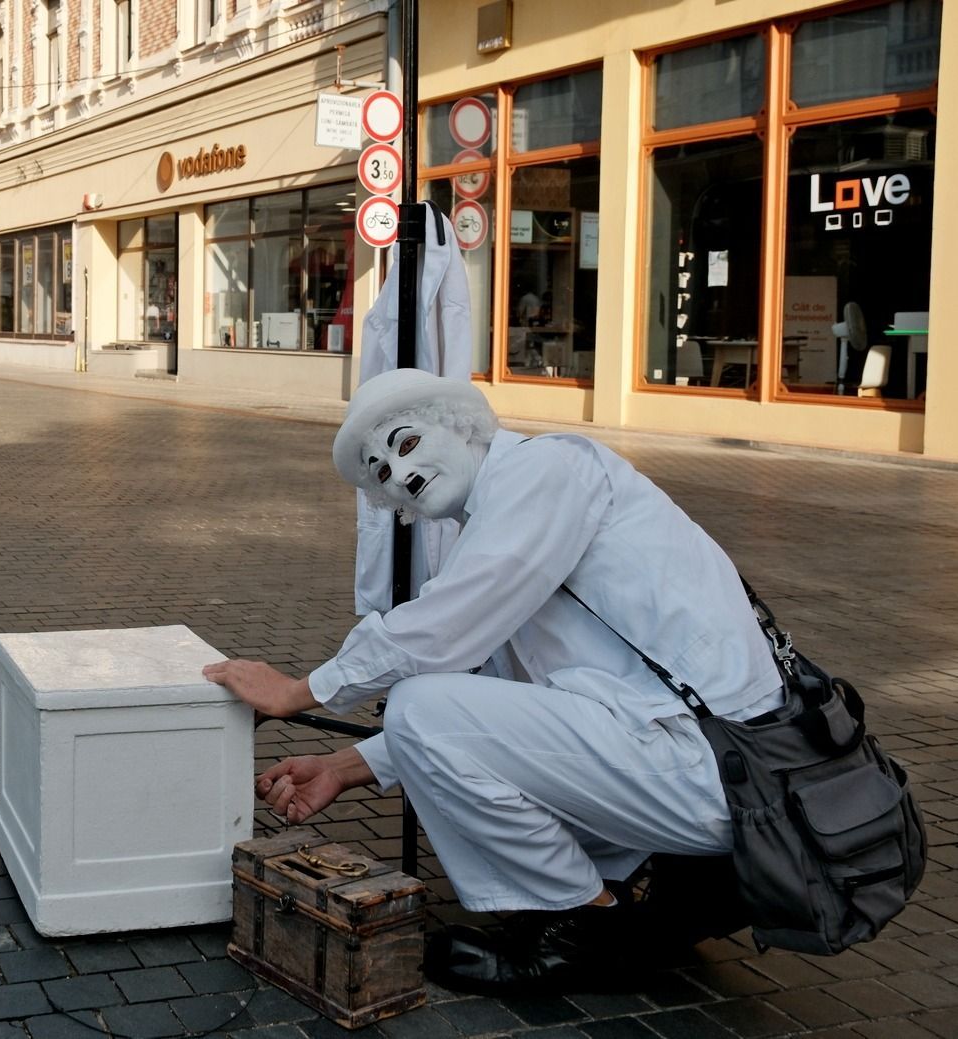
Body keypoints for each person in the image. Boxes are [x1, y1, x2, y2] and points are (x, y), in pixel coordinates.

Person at [202, 367, 784, 996]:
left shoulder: (547, 469)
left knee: (418, 702)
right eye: (381, 472)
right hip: (694, 761)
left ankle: (586, 928)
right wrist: (347, 767)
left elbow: (441, 631)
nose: (399, 473)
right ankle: (631, 887)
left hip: (728, 772)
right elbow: (497, 701)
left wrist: (299, 691)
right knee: (432, 709)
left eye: (405, 443)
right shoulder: (498, 518)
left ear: (461, 426)